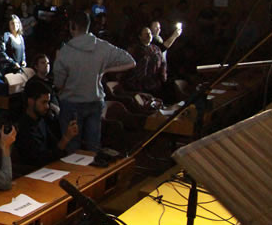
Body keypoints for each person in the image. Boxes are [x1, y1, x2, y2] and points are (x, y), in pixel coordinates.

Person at [53, 10, 136, 152]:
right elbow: (131, 62)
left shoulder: (65, 51)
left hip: (71, 102)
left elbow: (59, 84)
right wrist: (105, 70)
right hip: (95, 101)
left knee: (71, 148)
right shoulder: (102, 46)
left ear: (72, 26)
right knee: (93, 147)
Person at [15, 81, 79, 168]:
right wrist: (65, 139)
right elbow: (38, 160)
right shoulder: (23, 127)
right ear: (30, 101)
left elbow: (54, 146)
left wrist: (67, 138)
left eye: (48, 102)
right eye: (43, 102)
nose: (47, 106)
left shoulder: (42, 120)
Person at [122, 27, 167, 96]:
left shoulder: (156, 49)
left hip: (154, 82)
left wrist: (162, 75)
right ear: (140, 36)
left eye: (150, 33)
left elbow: (163, 62)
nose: (149, 35)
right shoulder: (134, 49)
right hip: (139, 83)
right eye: (146, 34)